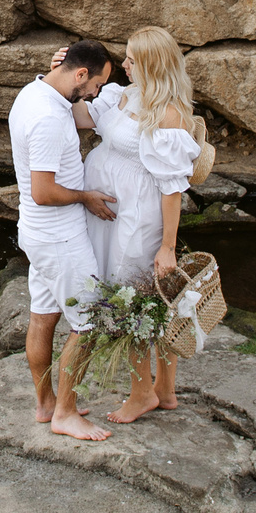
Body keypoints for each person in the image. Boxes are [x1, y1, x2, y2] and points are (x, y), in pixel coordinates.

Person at [79, 26, 214, 424]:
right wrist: (53, 80)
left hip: (138, 217)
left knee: (134, 298)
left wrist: (167, 247)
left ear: (152, 64)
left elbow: (173, 188)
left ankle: (141, 394)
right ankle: (165, 391)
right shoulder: (127, 94)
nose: (124, 64)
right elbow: (82, 116)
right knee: (151, 298)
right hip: (116, 214)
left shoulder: (169, 112)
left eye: (132, 60)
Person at [7, 39, 118, 442]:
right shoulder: (50, 119)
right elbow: (44, 191)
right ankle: (66, 414)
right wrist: (85, 196)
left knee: (43, 316)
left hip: (38, 234)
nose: (94, 95)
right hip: (59, 236)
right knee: (89, 322)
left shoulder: (34, 92)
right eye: (95, 86)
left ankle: (46, 404)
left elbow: (80, 116)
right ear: (81, 74)